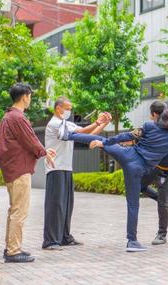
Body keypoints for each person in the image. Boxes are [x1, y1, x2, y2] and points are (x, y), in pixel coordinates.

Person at [61, 102, 168, 252]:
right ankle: (132, 241)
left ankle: (67, 135)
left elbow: (127, 135)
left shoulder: (149, 126)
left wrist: (106, 143)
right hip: (138, 169)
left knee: (101, 140)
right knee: (133, 205)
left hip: (127, 154)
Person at [42, 97, 111, 250]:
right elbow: (79, 132)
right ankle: (50, 241)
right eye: (67, 108)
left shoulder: (67, 124)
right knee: (55, 205)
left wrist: (104, 123)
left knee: (67, 205)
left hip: (66, 168)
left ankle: (65, 237)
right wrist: (98, 121)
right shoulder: (54, 123)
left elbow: (88, 135)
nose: (70, 111)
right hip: (55, 168)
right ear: (58, 108)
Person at [0, 83, 56, 263]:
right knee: (19, 211)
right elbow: (30, 139)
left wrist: (43, 151)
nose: (30, 99)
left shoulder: (7, 117)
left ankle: (11, 247)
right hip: (19, 170)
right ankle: (14, 251)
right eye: (29, 96)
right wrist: (44, 152)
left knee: (14, 210)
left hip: (11, 169)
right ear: (25, 96)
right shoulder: (18, 117)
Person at [141, 101, 168, 245]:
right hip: (154, 166)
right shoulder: (161, 125)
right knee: (140, 186)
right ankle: (167, 202)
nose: (166, 115)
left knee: (161, 202)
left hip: (166, 170)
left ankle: (162, 234)